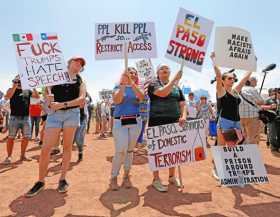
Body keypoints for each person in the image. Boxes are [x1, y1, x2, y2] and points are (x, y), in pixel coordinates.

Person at [26, 57, 86, 197]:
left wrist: (62, 105)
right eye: (76, 62)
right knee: (46, 148)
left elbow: (81, 99)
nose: (78, 65)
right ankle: (40, 181)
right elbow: (46, 94)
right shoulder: (54, 77)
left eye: (81, 64)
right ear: (69, 63)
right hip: (54, 115)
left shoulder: (80, 81)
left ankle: (63, 179)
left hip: (72, 114)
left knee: (67, 147)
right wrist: (48, 98)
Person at [210, 52, 253, 179]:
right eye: (229, 78)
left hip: (236, 122)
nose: (232, 79)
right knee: (221, 146)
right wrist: (213, 60)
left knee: (233, 146)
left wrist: (252, 65)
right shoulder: (221, 91)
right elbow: (218, 75)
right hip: (225, 121)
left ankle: (228, 168)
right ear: (223, 81)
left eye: (233, 78)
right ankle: (216, 169)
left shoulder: (235, 92)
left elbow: (245, 79)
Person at [148, 63, 186, 192]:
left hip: (174, 122)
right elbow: (163, 93)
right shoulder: (153, 84)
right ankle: (156, 179)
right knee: (157, 152)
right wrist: (175, 79)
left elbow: (182, 104)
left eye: (167, 68)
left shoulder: (177, 87)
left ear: (170, 72)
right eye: (162, 69)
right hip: (157, 122)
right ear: (158, 73)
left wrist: (183, 116)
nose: (165, 70)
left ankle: (171, 176)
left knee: (173, 150)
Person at [110, 67, 144, 190]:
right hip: (120, 121)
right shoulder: (117, 87)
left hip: (136, 121)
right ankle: (114, 177)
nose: (133, 74)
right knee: (120, 149)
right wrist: (124, 84)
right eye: (130, 73)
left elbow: (141, 97)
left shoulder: (138, 88)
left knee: (130, 150)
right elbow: (117, 100)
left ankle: (126, 175)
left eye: (135, 73)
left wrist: (132, 84)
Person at [2, 76, 39, 164]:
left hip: (26, 117)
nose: (19, 82)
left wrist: (32, 86)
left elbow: (37, 97)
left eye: (20, 80)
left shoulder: (28, 90)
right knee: (11, 137)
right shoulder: (11, 89)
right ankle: (9, 156)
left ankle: (23, 155)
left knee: (26, 137)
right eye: (16, 80)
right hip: (14, 117)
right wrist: (14, 86)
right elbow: (7, 97)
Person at [239, 77, 265, 144]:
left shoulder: (238, 89)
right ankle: (250, 153)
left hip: (240, 117)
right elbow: (261, 101)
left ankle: (243, 152)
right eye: (255, 82)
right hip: (252, 116)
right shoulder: (252, 89)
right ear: (251, 82)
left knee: (244, 136)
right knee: (252, 137)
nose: (256, 83)